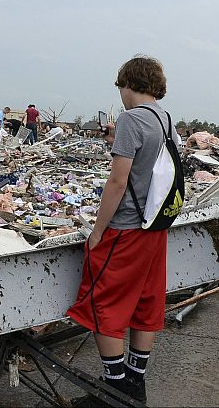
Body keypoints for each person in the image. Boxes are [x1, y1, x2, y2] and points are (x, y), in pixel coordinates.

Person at [66, 56, 175, 404]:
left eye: (121, 87)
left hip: (125, 229)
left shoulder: (130, 118)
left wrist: (98, 230)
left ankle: (113, 388)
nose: (121, 94)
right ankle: (135, 384)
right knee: (146, 302)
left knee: (103, 304)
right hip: (155, 227)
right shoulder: (166, 118)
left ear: (128, 84)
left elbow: (118, 179)